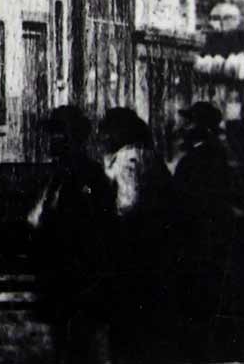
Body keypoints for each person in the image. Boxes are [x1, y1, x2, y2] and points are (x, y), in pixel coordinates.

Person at [28, 106, 111, 364]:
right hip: (61, 268)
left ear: (73, 137)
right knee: (64, 338)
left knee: (77, 340)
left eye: (58, 133)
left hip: (76, 270)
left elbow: (95, 221)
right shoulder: (58, 173)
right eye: (51, 134)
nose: (51, 140)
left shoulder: (88, 174)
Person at [97, 108, 177, 363]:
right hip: (157, 251)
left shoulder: (128, 159)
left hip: (131, 252)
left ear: (120, 132)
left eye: (108, 131)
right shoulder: (150, 155)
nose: (104, 136)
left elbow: (128, 205)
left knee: (127, 328)